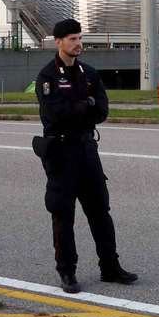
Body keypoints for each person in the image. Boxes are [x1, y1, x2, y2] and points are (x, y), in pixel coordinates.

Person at [34, 19, 138, 293]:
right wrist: (84, 105)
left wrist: (81, 107)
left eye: (79, 38)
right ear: (58, 42)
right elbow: (55, 113)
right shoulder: (48, 77)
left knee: (100, 211)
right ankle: (67, 271)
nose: (78, 43)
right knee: (63, 214)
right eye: (72, 39)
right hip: (61, 152)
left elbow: (101, 111)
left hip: (87, 150)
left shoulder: (89, 73)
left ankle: (110, 267)